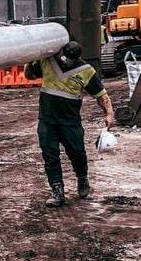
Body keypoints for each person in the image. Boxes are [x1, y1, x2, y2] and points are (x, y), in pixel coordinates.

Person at [25, 40, 114, 207]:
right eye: (64, 57)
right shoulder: (48, 61)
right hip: (47, 120)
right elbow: (30, 75)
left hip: (70, 122)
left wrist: (109, 113)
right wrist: (31, 60)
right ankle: (57, 192)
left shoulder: (86, 71)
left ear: (77, 58)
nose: (65, 61)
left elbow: (101, 95)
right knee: (50, 156)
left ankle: (82, 178)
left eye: (69, 59)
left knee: (77, 153)